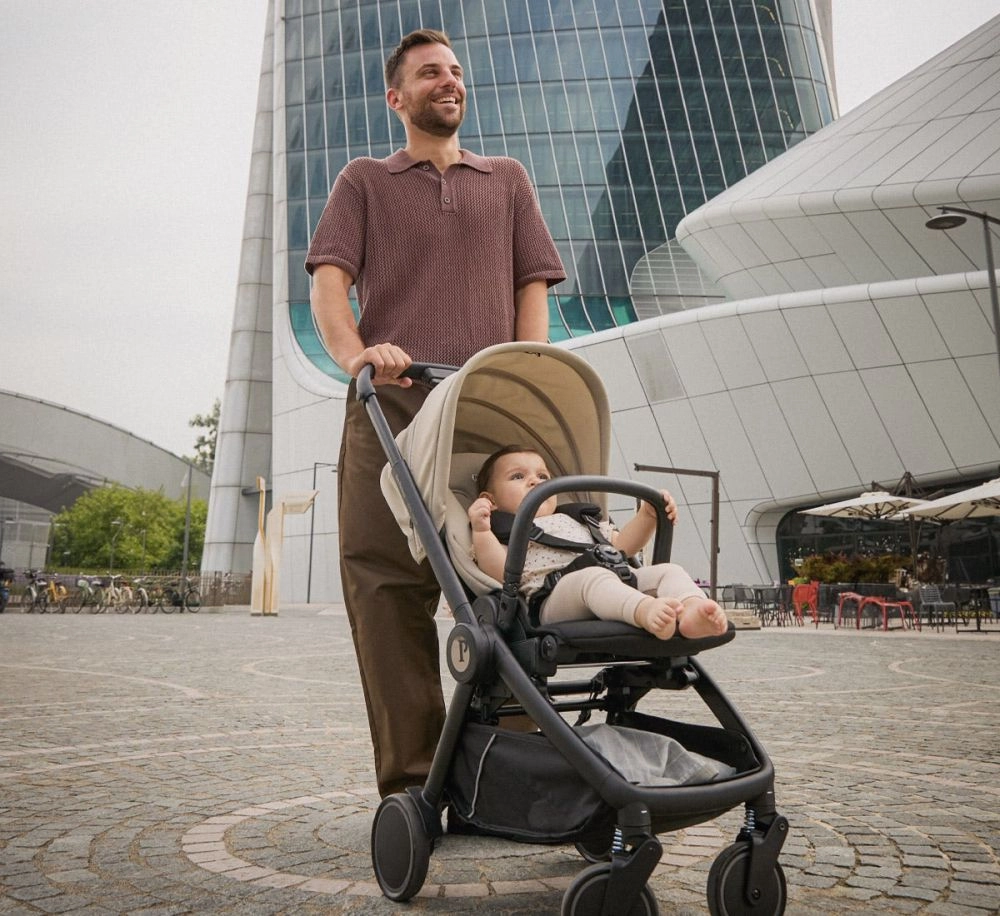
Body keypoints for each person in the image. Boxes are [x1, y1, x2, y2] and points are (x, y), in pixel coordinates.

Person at [305, 29, 565, 798]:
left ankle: (507, 773)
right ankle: (414, 784)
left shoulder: (507, 179)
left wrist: (523, 375)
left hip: (484, 408)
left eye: (454, 71)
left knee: (512, 577)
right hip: (390, 404)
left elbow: (533, 290)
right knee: (387, 587)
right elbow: (329, 283)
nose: (448, 81)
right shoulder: (364, 182)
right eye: (429, 73)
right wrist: (357, 357)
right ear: (398, 98)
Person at [467, 446, 729, 640]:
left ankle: (692, 610)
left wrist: (648, 515)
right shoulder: (505, 530)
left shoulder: (579, 520)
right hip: (554, 600)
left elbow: (622, 547)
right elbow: (501, 572)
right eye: (518, 477)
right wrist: (481, 530)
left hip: (614, 580)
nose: (534, 481)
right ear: (492, 500)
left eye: (543, 476)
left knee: (669, 571)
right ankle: (643, 610)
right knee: (593, 578)